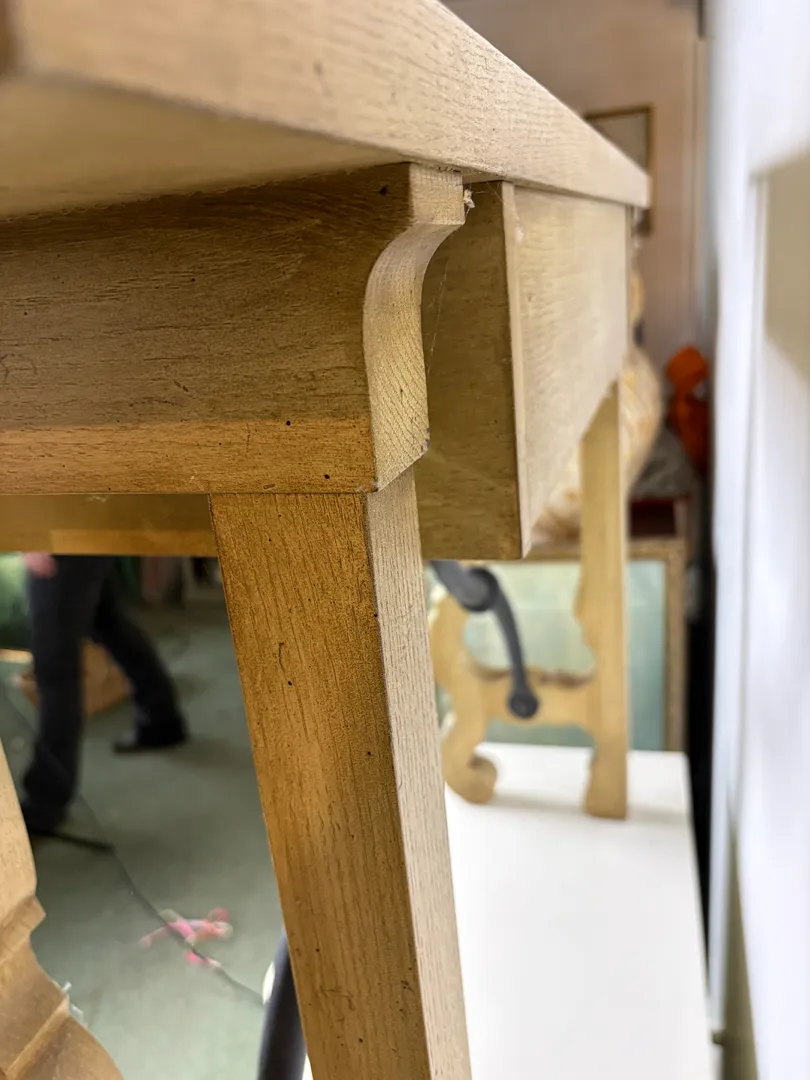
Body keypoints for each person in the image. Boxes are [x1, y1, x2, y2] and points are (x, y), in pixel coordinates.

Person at [21, 553, 187, 834]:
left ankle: (45, 800)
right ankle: (161, 720)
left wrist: (32, 541)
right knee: (107, 622)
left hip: (59, 540)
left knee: (55, 662)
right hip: (77, 537)